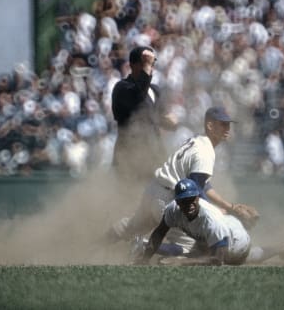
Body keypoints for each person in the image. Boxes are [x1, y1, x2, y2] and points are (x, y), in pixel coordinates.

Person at [106, 106, 259, 253]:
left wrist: (229, 206)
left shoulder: (197, 141)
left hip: (154, 190)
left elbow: (202, 183)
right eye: (223, 124)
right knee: (192, 246)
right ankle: (143, 246)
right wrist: (217, 212)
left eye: (228, 124)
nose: (227, 128)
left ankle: (95, 245)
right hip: (168, 200)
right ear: (210, 125)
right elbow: (196, 190)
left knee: (131, 227)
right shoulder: (205, 153)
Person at [135, 178, 284, 266]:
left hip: (236, 240)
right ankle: (283, 247)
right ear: (177, 202)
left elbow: (217, 260)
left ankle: (283, 248)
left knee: (241, 259)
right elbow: (158, 233)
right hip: (219, 230)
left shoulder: (210, 219)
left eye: (192, 199)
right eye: (184, 200)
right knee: (197, 251)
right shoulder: (172, 210)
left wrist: (182, 262)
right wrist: (144, 259)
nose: (189, 203)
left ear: (198, 198)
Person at [111, 46, 176, 182]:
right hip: (130, 156)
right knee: (131, 198)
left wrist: (170, 121)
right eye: (145, 62)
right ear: (132, 65)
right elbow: (138, 98)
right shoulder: (122, 87)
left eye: (152, 62)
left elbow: (159, 118)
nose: (150, 66)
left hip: (154, 154)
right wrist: (146, 67)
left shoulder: (155, 90)